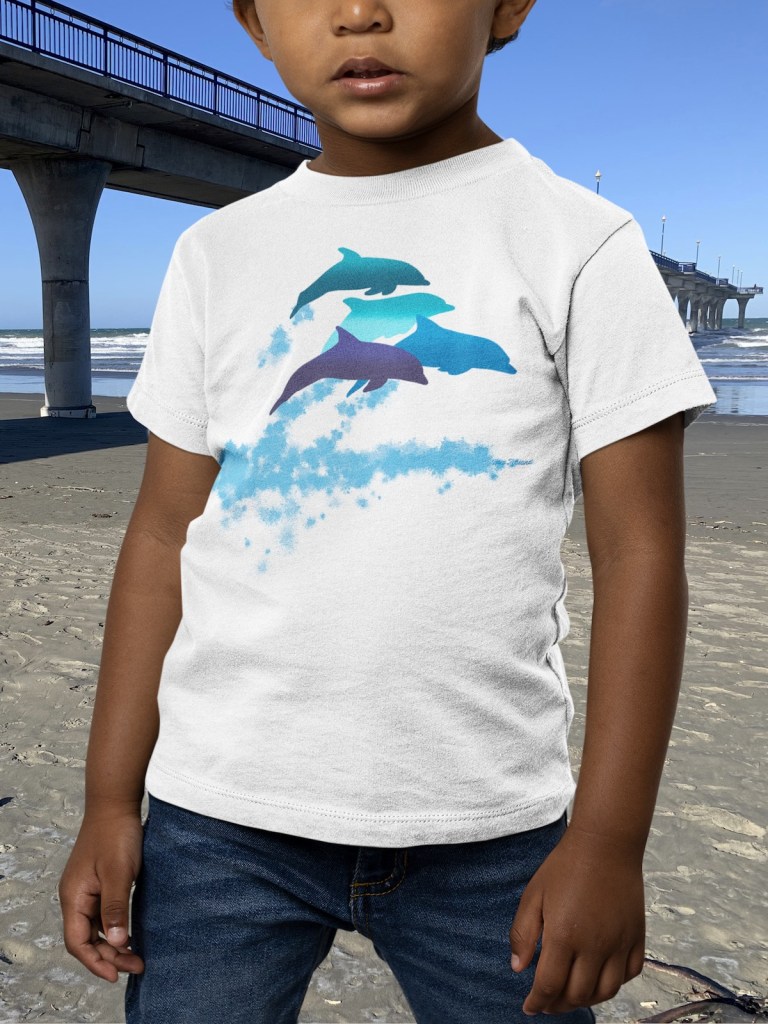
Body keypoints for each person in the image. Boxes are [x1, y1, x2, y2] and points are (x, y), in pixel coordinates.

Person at [57, 1, 718, 1022]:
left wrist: (609, 839)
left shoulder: (580, 244)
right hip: (221, 815)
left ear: (507, 7)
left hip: (491, 827)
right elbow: (160, 535)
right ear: (254, 21)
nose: (360, 11)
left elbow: (638, 553)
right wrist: (110, 797)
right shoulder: (215, 255)